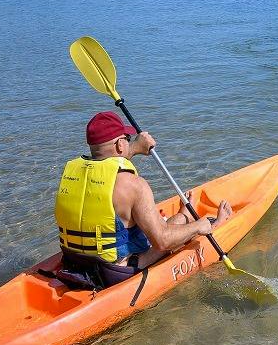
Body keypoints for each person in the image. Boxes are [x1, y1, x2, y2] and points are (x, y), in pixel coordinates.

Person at [54, 111, 233, 288]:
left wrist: (134, 148)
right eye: (127, 137)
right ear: (119, 145)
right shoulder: (134, 185)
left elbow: (107, 165)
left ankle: (184, 216)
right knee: (170, 235)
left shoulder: (73, 174)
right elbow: (162, 242)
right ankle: (212, 225)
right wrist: (200, 225)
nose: (129, 140)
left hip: (75, 262)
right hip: (114, 272)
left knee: (159, 227)